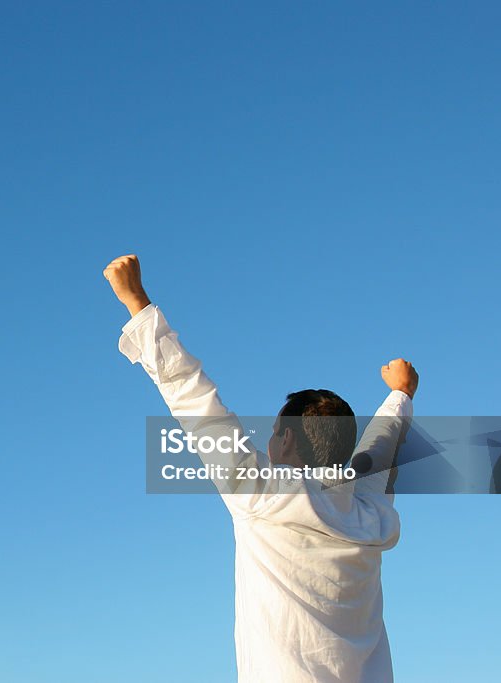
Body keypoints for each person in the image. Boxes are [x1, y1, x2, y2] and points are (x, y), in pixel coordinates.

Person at [103, 254, 419, 683]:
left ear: (287, 439)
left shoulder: (261, 495)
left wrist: (137, 304)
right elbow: (382, 451)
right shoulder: (369, 512)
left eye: (273, 432)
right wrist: (400, 395)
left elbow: (196, 401)